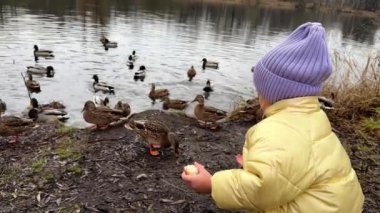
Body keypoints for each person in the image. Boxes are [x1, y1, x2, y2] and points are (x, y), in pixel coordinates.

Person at [181, 22, 364, 212]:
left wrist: (212, 184)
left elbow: (261, 190)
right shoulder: (315, 118)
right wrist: (260, 163)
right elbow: (295, 164)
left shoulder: (277, 131)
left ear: (272, 93)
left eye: (260, 90)